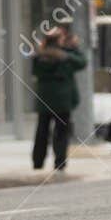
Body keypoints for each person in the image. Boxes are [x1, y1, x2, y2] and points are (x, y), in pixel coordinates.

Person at [31, 25, 87, 171]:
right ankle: (59, 162)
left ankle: (38, 162)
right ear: (59, 40)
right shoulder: (65, 56)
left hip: (44, 99)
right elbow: (82, 62)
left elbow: (34, 72)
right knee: (61, 132)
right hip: (62, 100)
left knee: (41, 131)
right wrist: (73, 48)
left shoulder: (39, 55)